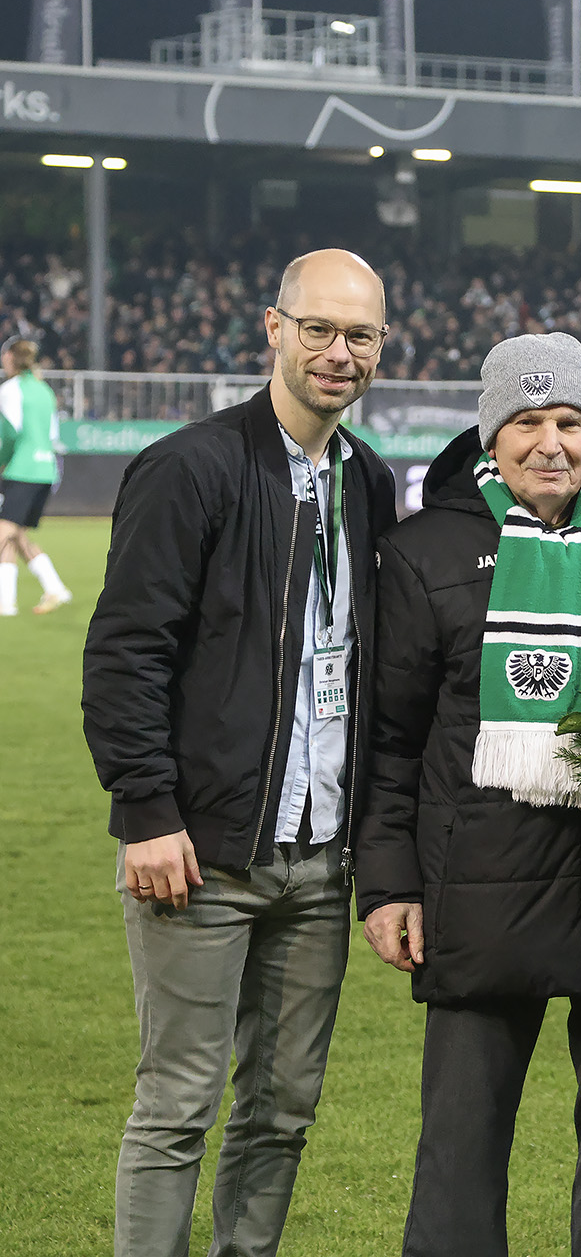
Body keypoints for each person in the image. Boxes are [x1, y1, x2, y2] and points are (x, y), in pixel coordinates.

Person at [355, 332, 581, 1257]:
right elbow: (390, 740)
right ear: (490, 433)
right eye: (526, 421)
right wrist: (388, 885)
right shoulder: (422, 551)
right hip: (479, 885)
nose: (549, 444)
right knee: (462, 1143)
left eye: (569, 422)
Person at [80, 249, 398, 1257]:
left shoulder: (369, 480)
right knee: (178, 1105)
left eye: (359, 335)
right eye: (319, 329)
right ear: (274, 328)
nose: (338, 352)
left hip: (319, 862)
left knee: (282, 1112)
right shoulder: (190, 467)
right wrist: (145, 810)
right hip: (200, 853)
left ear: (381, 346)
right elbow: (126, 652)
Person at [0, 336, 72, 615]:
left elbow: (9, 433)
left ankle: (7, 601)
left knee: (3, 532)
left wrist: (2, 461)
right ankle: (53, 589)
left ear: (10, 358)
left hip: (22, 469)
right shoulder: (44, 390)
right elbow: (53, 435)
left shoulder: (10, 389)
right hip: (45, 469)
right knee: (16, 535)